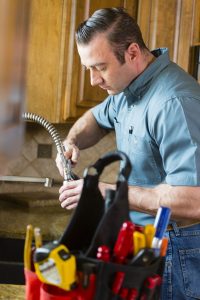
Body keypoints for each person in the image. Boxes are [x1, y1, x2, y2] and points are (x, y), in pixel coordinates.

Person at [55, 7, 200, 299]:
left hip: (178, 249)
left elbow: (194, 200)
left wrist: (109, 192)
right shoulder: (126, 88)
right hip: (143, 242)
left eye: (100, 67)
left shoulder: (174, 103)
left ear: (132, 53)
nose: (94, 80)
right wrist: (72, 142)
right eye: (88, 69)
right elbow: (94, 119)